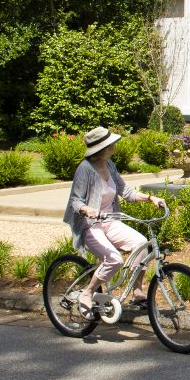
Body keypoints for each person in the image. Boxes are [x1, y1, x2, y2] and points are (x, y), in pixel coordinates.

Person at [64, 126, 165, 315]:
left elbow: (125, 191)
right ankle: (87, 293)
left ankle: (138, 292)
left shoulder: (110, 165)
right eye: (111, 144)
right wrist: (88, 210)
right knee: (114, 259)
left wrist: (152, 198)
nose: (115, 145)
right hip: (91, 226)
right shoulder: (84, 169)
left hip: (110, 222)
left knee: (141, 244)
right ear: (102, 148)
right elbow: (75, 201)